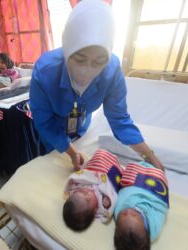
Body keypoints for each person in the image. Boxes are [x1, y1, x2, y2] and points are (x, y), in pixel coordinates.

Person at [29, 0, 163, 171]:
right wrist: (70, 151)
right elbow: (44, 122)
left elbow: (119, 119)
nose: (87, 70)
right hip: (54, 133)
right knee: (52, 169)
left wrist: (149, 155)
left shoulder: (112, 70)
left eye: (99, 62)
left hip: (81, 127)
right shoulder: (45, 71)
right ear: (68, 48)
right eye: (79, 59)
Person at [114, 161, 169, 250]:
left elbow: (122, 197)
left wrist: (130, 192)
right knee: (156, 174)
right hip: (152, 189)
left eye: (123, 214)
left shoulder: (120, 211)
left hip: (134, 184)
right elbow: (160, 207)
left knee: (129, 178)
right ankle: (151, 168)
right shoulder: (154, 224)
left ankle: (143, 168)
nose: (128, 211)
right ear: (145, 225)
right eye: (134, 215)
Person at [63, 149, 123, 231]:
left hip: (94, 169)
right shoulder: (101, 207)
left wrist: (76, 183)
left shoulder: (75, 194)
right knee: (117, 174)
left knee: (100, 155)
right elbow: (111, 203)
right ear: (94, 210)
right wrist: (108, 202)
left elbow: (73, 182)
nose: (85, 191)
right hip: (108, 175)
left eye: (80, 192)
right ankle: (115, 163)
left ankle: (103, 154)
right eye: (87, 199)